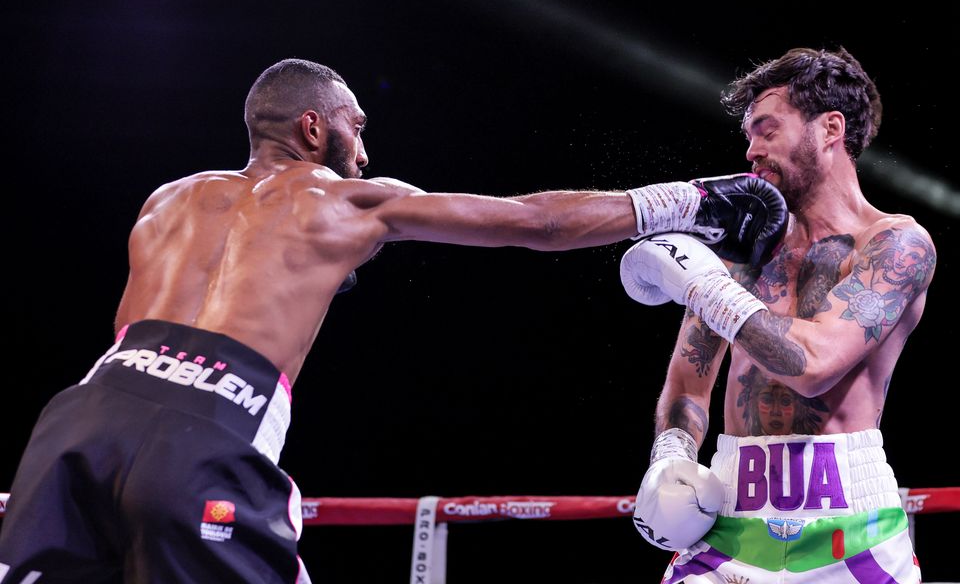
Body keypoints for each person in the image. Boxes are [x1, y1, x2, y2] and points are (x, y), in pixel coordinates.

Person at [0, 59, 786, 583]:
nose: (365, 152)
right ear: (315, 128)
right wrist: (695, 198)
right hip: (206, 433)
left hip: (80, 421)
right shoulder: (345, 201)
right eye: (357, 127)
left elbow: (136, 338)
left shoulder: (165, 200)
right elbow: (530, 222)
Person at [620, 47, 936, 583]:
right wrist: (671, 456)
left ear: (830, 128)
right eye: (749, 135)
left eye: (767, 130)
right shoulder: (739, 255)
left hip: (850, 529)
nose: (751, 151)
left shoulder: (895, 244)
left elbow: (815, 365)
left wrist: (701, 286)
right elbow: (689, 387)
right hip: (730, 523)